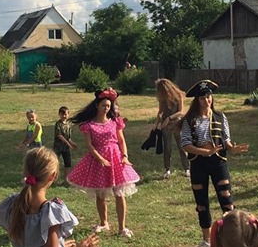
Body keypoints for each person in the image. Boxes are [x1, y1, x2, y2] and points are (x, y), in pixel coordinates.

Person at [180, 81, 249, 247]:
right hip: (198, 163)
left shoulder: (220, 116)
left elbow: (226, 140)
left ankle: (232, 240)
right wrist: (205, 151)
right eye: (203, 97)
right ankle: (206, 241)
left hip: (218, 162)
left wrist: (233, 148)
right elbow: (186, 144)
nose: (207, 100)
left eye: (209, 96)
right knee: (202, 203)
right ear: (197, 100)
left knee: (226, 199)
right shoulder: (190, 120)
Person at [67, 89, 140, 238]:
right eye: (103, 105)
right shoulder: (89, 125)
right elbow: (89, 145)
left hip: (115, 159)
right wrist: (100, 158)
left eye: (108, 106)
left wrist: (124, 156)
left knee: (120, 193)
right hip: (98, 160)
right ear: (97, 106)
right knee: (100, 194)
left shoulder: (115, 122)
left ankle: (122, 227)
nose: (106, 108)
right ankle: (103, 222)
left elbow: (121, 140)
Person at [155, 78, 190, 180]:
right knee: (167, 147)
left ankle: (187, 168)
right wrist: (157, 121)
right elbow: (160, 111)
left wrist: (169, 118)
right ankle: (167, 169)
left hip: (176, 123)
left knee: (182, 146)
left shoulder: (178, 96)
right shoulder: (163, 98)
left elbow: (181, 112)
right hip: (165, 125)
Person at [53, 106, 76, 184]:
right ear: (59, 114)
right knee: (55, 163)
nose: (64, 116)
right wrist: (68, 143)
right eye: (62, 114)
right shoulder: (58, 124)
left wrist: (72, 143)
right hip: (58, 147)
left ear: (68, 114)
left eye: (65, 114)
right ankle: (53, 179)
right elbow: (59, 135)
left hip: (66, 148)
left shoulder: (68, 125)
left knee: (67, 163)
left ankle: (66, 180)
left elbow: (68, 137)